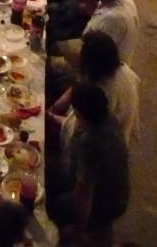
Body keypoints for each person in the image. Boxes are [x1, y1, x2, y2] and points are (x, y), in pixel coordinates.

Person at [48, 83, 131, 243]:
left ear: (78, 112)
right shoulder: (107, 118)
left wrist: (77, 232)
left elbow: (84, 195)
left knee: (50, 207)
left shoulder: (91, 142)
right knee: (48, 169)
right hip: (106, 188)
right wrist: (51, 117)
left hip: (106, 203)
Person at [49, 31, 141, 150]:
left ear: (90, 63)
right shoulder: (120, 68)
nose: (78, 52)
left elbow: (76, 128)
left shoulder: (102, 93)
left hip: (101, 146)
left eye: (82, 51)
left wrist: (51, 116)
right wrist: (55, 106)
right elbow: (79, 84)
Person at [79, 0, 140, 65]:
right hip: (95, 50)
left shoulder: (113, 19)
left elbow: (95, 55)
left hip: (105, 67)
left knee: (58, 48)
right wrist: (88, 1)